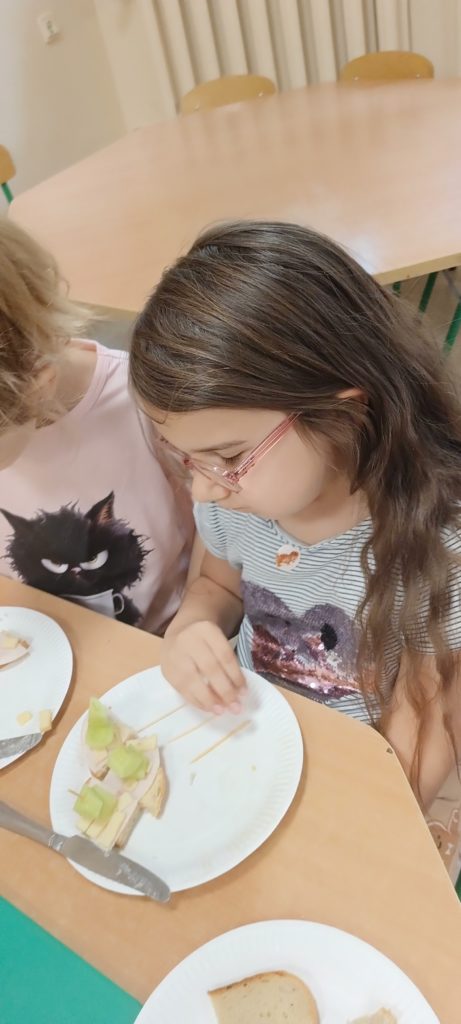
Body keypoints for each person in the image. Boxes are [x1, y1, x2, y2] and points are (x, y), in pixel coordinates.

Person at [130, 220, 461, 879]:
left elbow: (423, 730)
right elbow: (216, 585)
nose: (203, 488)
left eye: (228, 457)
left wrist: (345, 834)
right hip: (243, 739)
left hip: (356, 777)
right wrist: (191, 629)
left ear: (341, 412)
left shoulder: (435, 544)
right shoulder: (238, 503)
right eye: (185, 458)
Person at [0, 218, 194, 634]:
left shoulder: (142, 402)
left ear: (37, 388)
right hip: (41, 638)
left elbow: (222, 535)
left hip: (163, 637)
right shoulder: (10, 412)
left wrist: (199, 619)